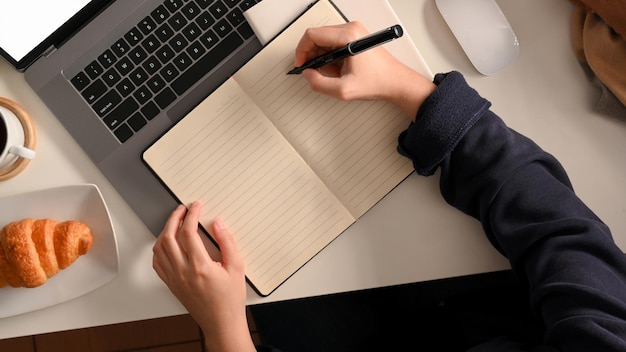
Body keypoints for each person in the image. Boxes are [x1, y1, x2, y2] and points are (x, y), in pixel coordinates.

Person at [152, 21, 626, 351]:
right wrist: (410, 90)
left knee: (284, 306)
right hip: (492, 303)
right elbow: (558, 228)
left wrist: (225, 331)